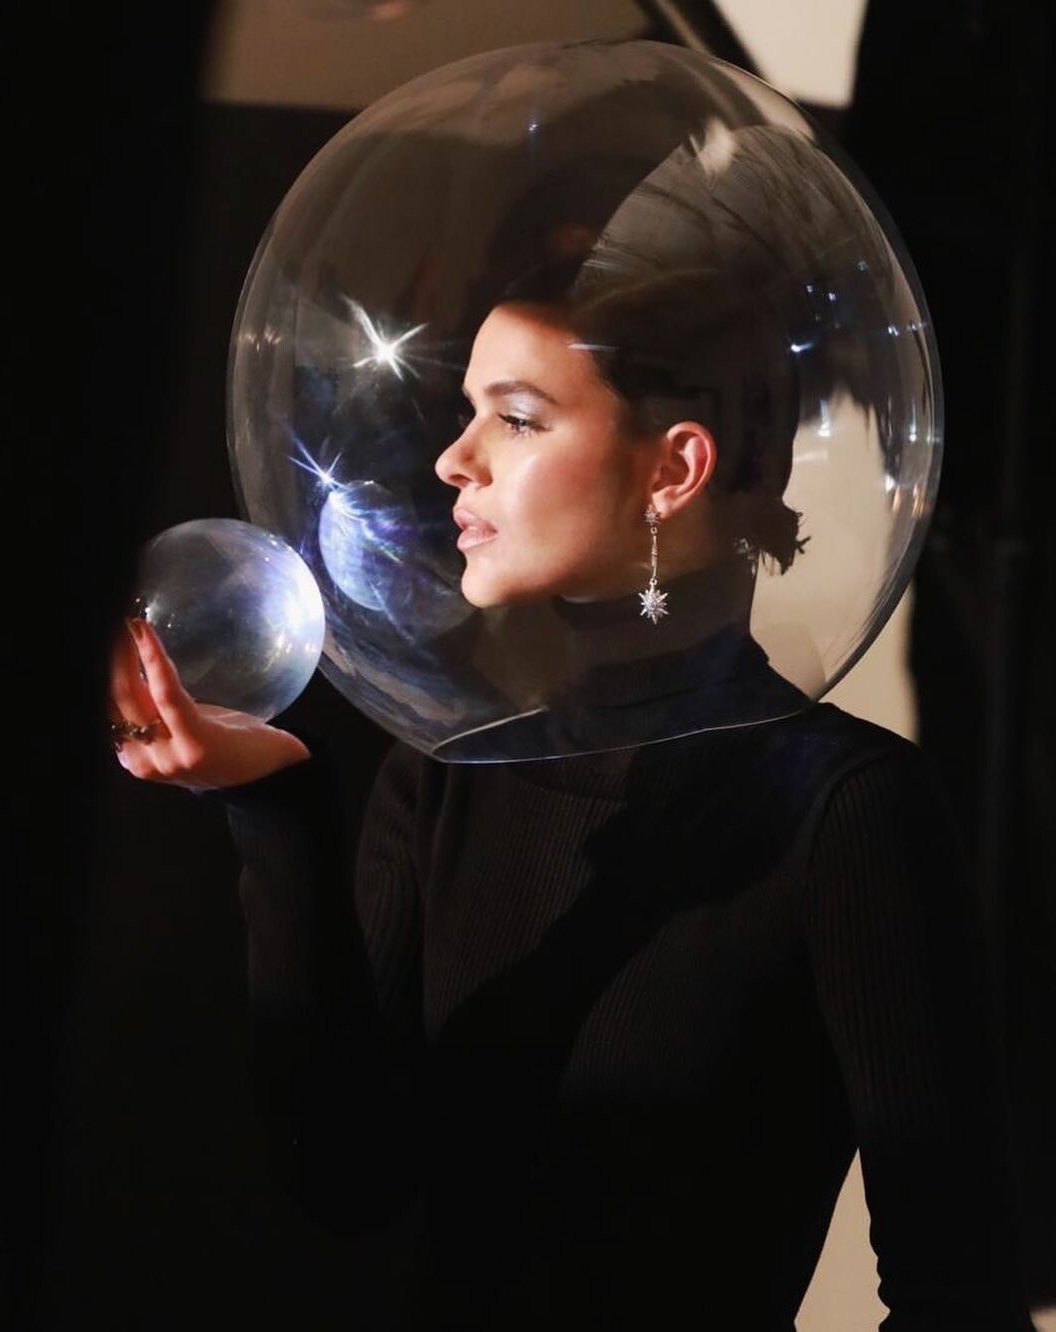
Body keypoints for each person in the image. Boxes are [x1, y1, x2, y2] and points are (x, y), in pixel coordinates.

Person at [109, 253, 1037, 1326]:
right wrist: (276, 809)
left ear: (674, 467)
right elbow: (346, 1180)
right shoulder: (445, 777)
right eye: (469, 412)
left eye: (515, 418)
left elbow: (956, 1289)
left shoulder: (847, 807)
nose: (454, 460)